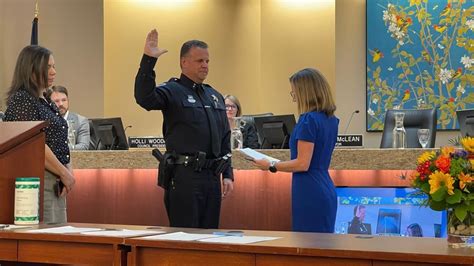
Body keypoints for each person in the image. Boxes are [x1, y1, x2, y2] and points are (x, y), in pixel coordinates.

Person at [134, 29, 233, 229]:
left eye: (207, 61)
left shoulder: (214, 96)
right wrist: (148, 60)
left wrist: (228, 173)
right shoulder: (173, 91)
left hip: (212, 178)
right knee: (185, 238)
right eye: (199, 61)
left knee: (209, 239)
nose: (205, 65)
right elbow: (144, 98)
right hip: (185, 177)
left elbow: (224, 137)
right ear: (183, 62)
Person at [253, 68, 339, 233]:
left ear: (305, 92)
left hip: (309, 189)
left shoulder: (308, 120)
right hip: (324, 186)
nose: (294, 97)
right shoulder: (331, 120)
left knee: (308, 244)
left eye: (294, 93)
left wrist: (271, 165)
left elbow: (302, 163)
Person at [3, 45, 75, 223]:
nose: (53, 72)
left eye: (54, 66)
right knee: (47, 240)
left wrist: (67, 170)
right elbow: (32, 144)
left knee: (59, 236)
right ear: (32, 69)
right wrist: (64, 173)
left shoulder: (44, 100)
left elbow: (57, 138)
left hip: (56, 179)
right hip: (38, 180)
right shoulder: (22, 100)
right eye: (48, 67)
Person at [46, 85, 91, 150]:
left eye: (64, 100)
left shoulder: (81, 121)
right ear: (49, 103)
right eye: (56, 101)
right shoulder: (45, 122)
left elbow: (83, 147)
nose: (61, 104)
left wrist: (59, 147)